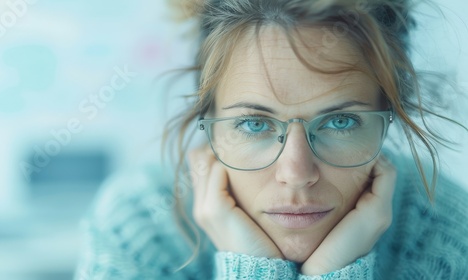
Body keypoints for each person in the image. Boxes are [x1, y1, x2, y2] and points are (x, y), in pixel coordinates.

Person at [75, 0, 468, 279]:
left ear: (390, 117)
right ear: (207, 120)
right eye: (254, 124)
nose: (296, 173)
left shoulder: (449, 236)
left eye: (341, 122)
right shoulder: (141, 228)